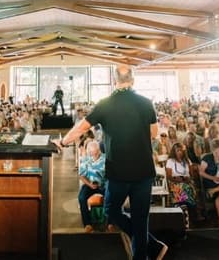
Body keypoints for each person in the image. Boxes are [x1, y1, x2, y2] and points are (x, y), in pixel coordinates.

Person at [58, 64, 168, 260]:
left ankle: (152, 245)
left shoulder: (105, 104)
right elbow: (154, 133)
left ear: (113, 81)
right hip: (143, 169)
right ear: (133, 80)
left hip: (119, 170)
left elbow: (81, 128)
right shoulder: (145, 103)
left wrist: (63, 142)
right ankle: (149, 248)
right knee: (141, 219)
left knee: (111, 210)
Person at [198, 138, 219, 228]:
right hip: (210, 181)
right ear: (215, 149)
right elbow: (201, 172)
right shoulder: (207, 158)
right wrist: (214, 178)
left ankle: (213, 191)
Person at [78, 138, 106, 233]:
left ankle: (110, 223)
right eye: (90, 153)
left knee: (111, 196)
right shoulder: (86, 159)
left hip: (103, 184)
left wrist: (102, 183)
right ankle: (87, 224)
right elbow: (81, 175)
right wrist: (89, 184)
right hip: (90, 184)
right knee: (81, 197)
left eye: (94, 153)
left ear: (98, 151)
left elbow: (111, 175)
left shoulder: (105, 159)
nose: (92, 155)